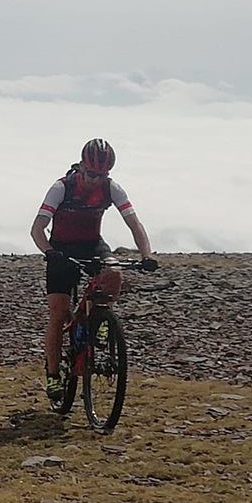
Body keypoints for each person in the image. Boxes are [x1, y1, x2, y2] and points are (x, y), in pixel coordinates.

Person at [29, 138, 158, 401]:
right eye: (91, 174)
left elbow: (135, 224)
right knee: (58, 312)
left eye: (102, 175)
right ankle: (53, 375)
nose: (95, 180)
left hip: (92, 245)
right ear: (81, 167)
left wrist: (147, 255)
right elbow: (37, 229)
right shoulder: (61, 188)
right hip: (61, 249)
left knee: (114, 273)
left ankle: (98, 317)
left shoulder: (112, 188)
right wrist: (50, 253)